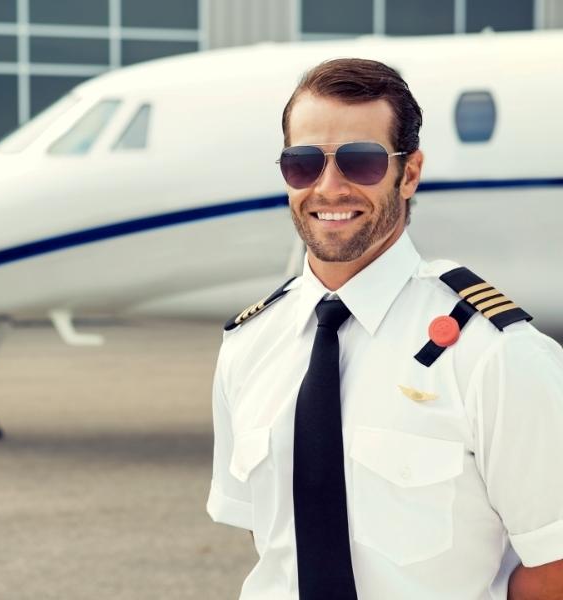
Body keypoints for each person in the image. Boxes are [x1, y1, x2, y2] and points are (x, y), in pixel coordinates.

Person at [206, 58, 563, 599]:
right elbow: (273, 540)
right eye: (303, 163)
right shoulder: (248, 344)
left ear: (410, 173)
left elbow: (552, 567)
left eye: (362, 161)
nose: (328, 187)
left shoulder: (497, 355)